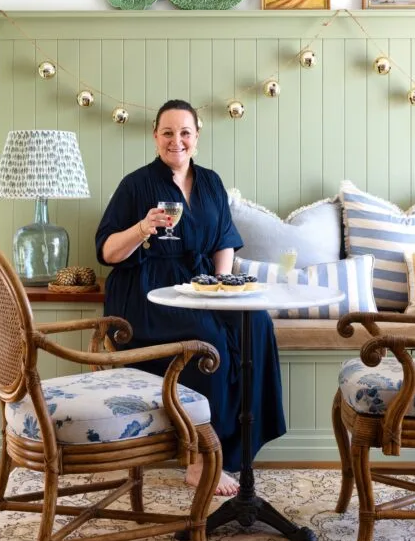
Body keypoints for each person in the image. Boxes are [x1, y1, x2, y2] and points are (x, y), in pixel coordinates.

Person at [95, 99, 286, 496]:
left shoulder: (211, 182)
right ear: (155, 137)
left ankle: (237, 451)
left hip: (200, 286)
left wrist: (218, 289)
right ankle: (200, 460)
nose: (176, 140)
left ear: (196, 138)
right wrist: (142, 228)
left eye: (185, 132)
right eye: (168, 132)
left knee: (257, 325)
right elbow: (108, 252)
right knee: (208, 343)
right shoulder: (136, 184)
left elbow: (225, 242)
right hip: (147, 291)